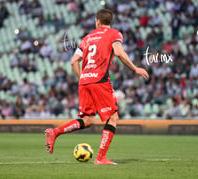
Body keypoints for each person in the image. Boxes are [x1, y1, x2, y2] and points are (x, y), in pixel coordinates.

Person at [44, 9, 149, 165]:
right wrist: (135, 68)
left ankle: (55, 132)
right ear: (108, 22)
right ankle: (100, 158)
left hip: (84, 80)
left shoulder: (87, 38)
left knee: (87, 120)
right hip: (100, 80)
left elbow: (73, 61)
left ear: (97, 21)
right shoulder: (114, 33)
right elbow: (119, 52)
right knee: (113, 117)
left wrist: (84, 78)